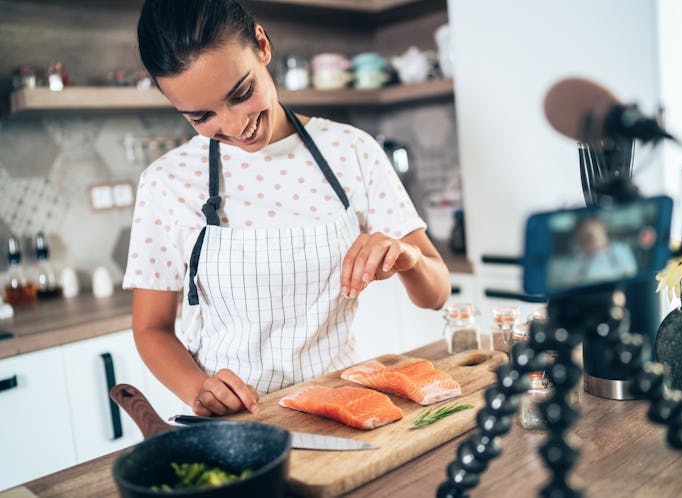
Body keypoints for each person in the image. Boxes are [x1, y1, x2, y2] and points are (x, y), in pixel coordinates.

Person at [123, 0, 451, 417]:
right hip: (237, 422)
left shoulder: (352, 151)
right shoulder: (165, 182)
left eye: (242, 94)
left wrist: (407, 258)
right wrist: (199, 388)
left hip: (345, 404)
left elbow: (436, 293)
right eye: (202, 116)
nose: (236, 125)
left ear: (261, 45)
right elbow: (151, 328)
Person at [549, 215, 637, 290]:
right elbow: (565, 285)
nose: (589, 243)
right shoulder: (578, 261)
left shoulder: (620, 251)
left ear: (602, 226)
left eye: (590, 237)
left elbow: (630, 278)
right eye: (584, 240)